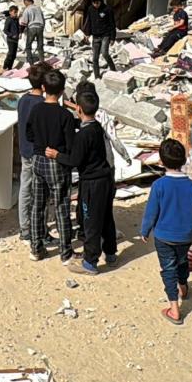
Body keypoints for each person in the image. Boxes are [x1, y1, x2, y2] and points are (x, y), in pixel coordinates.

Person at [140, 139, 192, 325]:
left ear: (161, 161)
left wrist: (145, 230)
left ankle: (174, 309)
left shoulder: (159, 186)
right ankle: (183, 286)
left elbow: (152, 211)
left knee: (168, 269)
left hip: (164, 237)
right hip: (185, 235)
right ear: (184, 160)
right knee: (182, 261)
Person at [55, 92, 116, 275]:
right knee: (106, 217)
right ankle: (111, 253)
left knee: (90, 221)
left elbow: (74, 160)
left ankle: (90, 262)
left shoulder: (83, 135)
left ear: (79, 109)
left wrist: (56, 155)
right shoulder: (97, 127)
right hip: (105, 178)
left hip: (91, 183)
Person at [24, 69, 79, 264]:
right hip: (57, 162)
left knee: (37, 206)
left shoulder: (36, 110)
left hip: (38, 159)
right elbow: (71, 145)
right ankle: (66, 252)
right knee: (62, 205)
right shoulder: (65, 115)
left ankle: (36, 248)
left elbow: (29, 134)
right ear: (63, 90)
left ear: (43, 88)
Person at [17, 62, 53, 248]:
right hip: (38, 153)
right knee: (40, 194)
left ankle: (25, 228)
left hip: (25, 150)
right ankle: (40, 230)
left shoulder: (23, 100)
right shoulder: (42, 104)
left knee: (25, 188)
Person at [81, 0, 117, 77]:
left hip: (105, 35)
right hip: (95, 36)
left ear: (101, 1)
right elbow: (89, 22)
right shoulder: (90, 9)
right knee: (95, 58)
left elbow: (112, 24)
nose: (96, 4)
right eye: (94, 2)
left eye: (97, 2)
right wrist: (87, 33)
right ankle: (97, 76)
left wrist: (112, 38)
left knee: (104, 53)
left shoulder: (107, 9)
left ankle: (113, 69)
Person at [19, 0, 45, 64]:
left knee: (28, 47)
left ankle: (31, 64)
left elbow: (24, 22)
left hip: (32, 28)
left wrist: (21, 32)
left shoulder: (27, 9)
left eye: (24, 2)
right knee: (40, 46)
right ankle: (42, 62)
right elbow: (43, 19)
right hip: (40, 27)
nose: (24, 4)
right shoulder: (38, 8)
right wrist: (42, 27)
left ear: (26, 1)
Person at [2, 5, 22, 71]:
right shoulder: (9, 20)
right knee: (10, 54)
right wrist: (11, 35)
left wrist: (20, 33)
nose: (16, 14)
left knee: (14, 55)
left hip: (16, 40)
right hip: (10, 40)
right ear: (10, 12)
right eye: (14, 12)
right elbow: (5, 30)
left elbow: (18, 27)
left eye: (16, 12)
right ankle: (5, 66)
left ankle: (10, 67)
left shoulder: (16, 20)